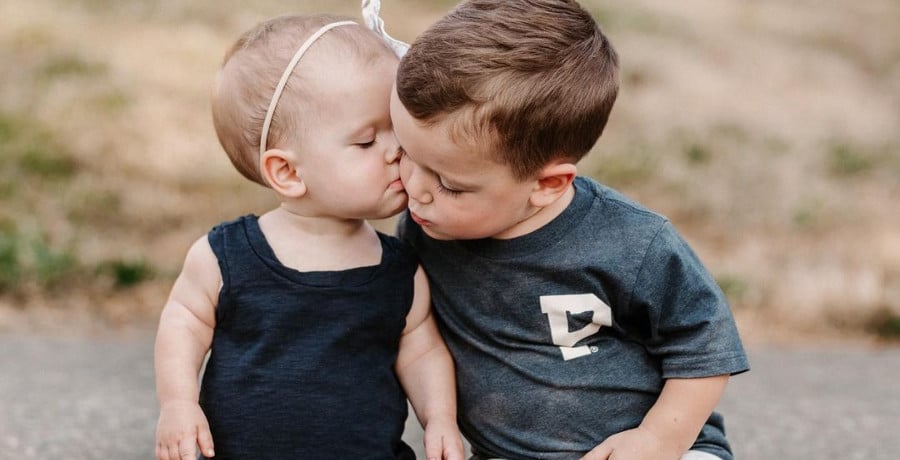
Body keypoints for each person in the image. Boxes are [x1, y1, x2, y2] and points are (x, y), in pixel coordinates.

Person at [390, 1, 750, 459]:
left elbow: (704, 341)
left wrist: (660, 439)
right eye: (403, 150)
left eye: (448, 184)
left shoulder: (631, 241)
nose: (415, 189)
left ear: (546, 184)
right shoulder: (425, 229)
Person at [153, 11, 464, 460]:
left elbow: (421, 353)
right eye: (365, 141)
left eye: (397, 128)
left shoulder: (398, 269)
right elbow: (183, 325)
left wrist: (440, 419)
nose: (397, 149)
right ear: (288, 172)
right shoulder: (226, 258)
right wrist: (178, 403)